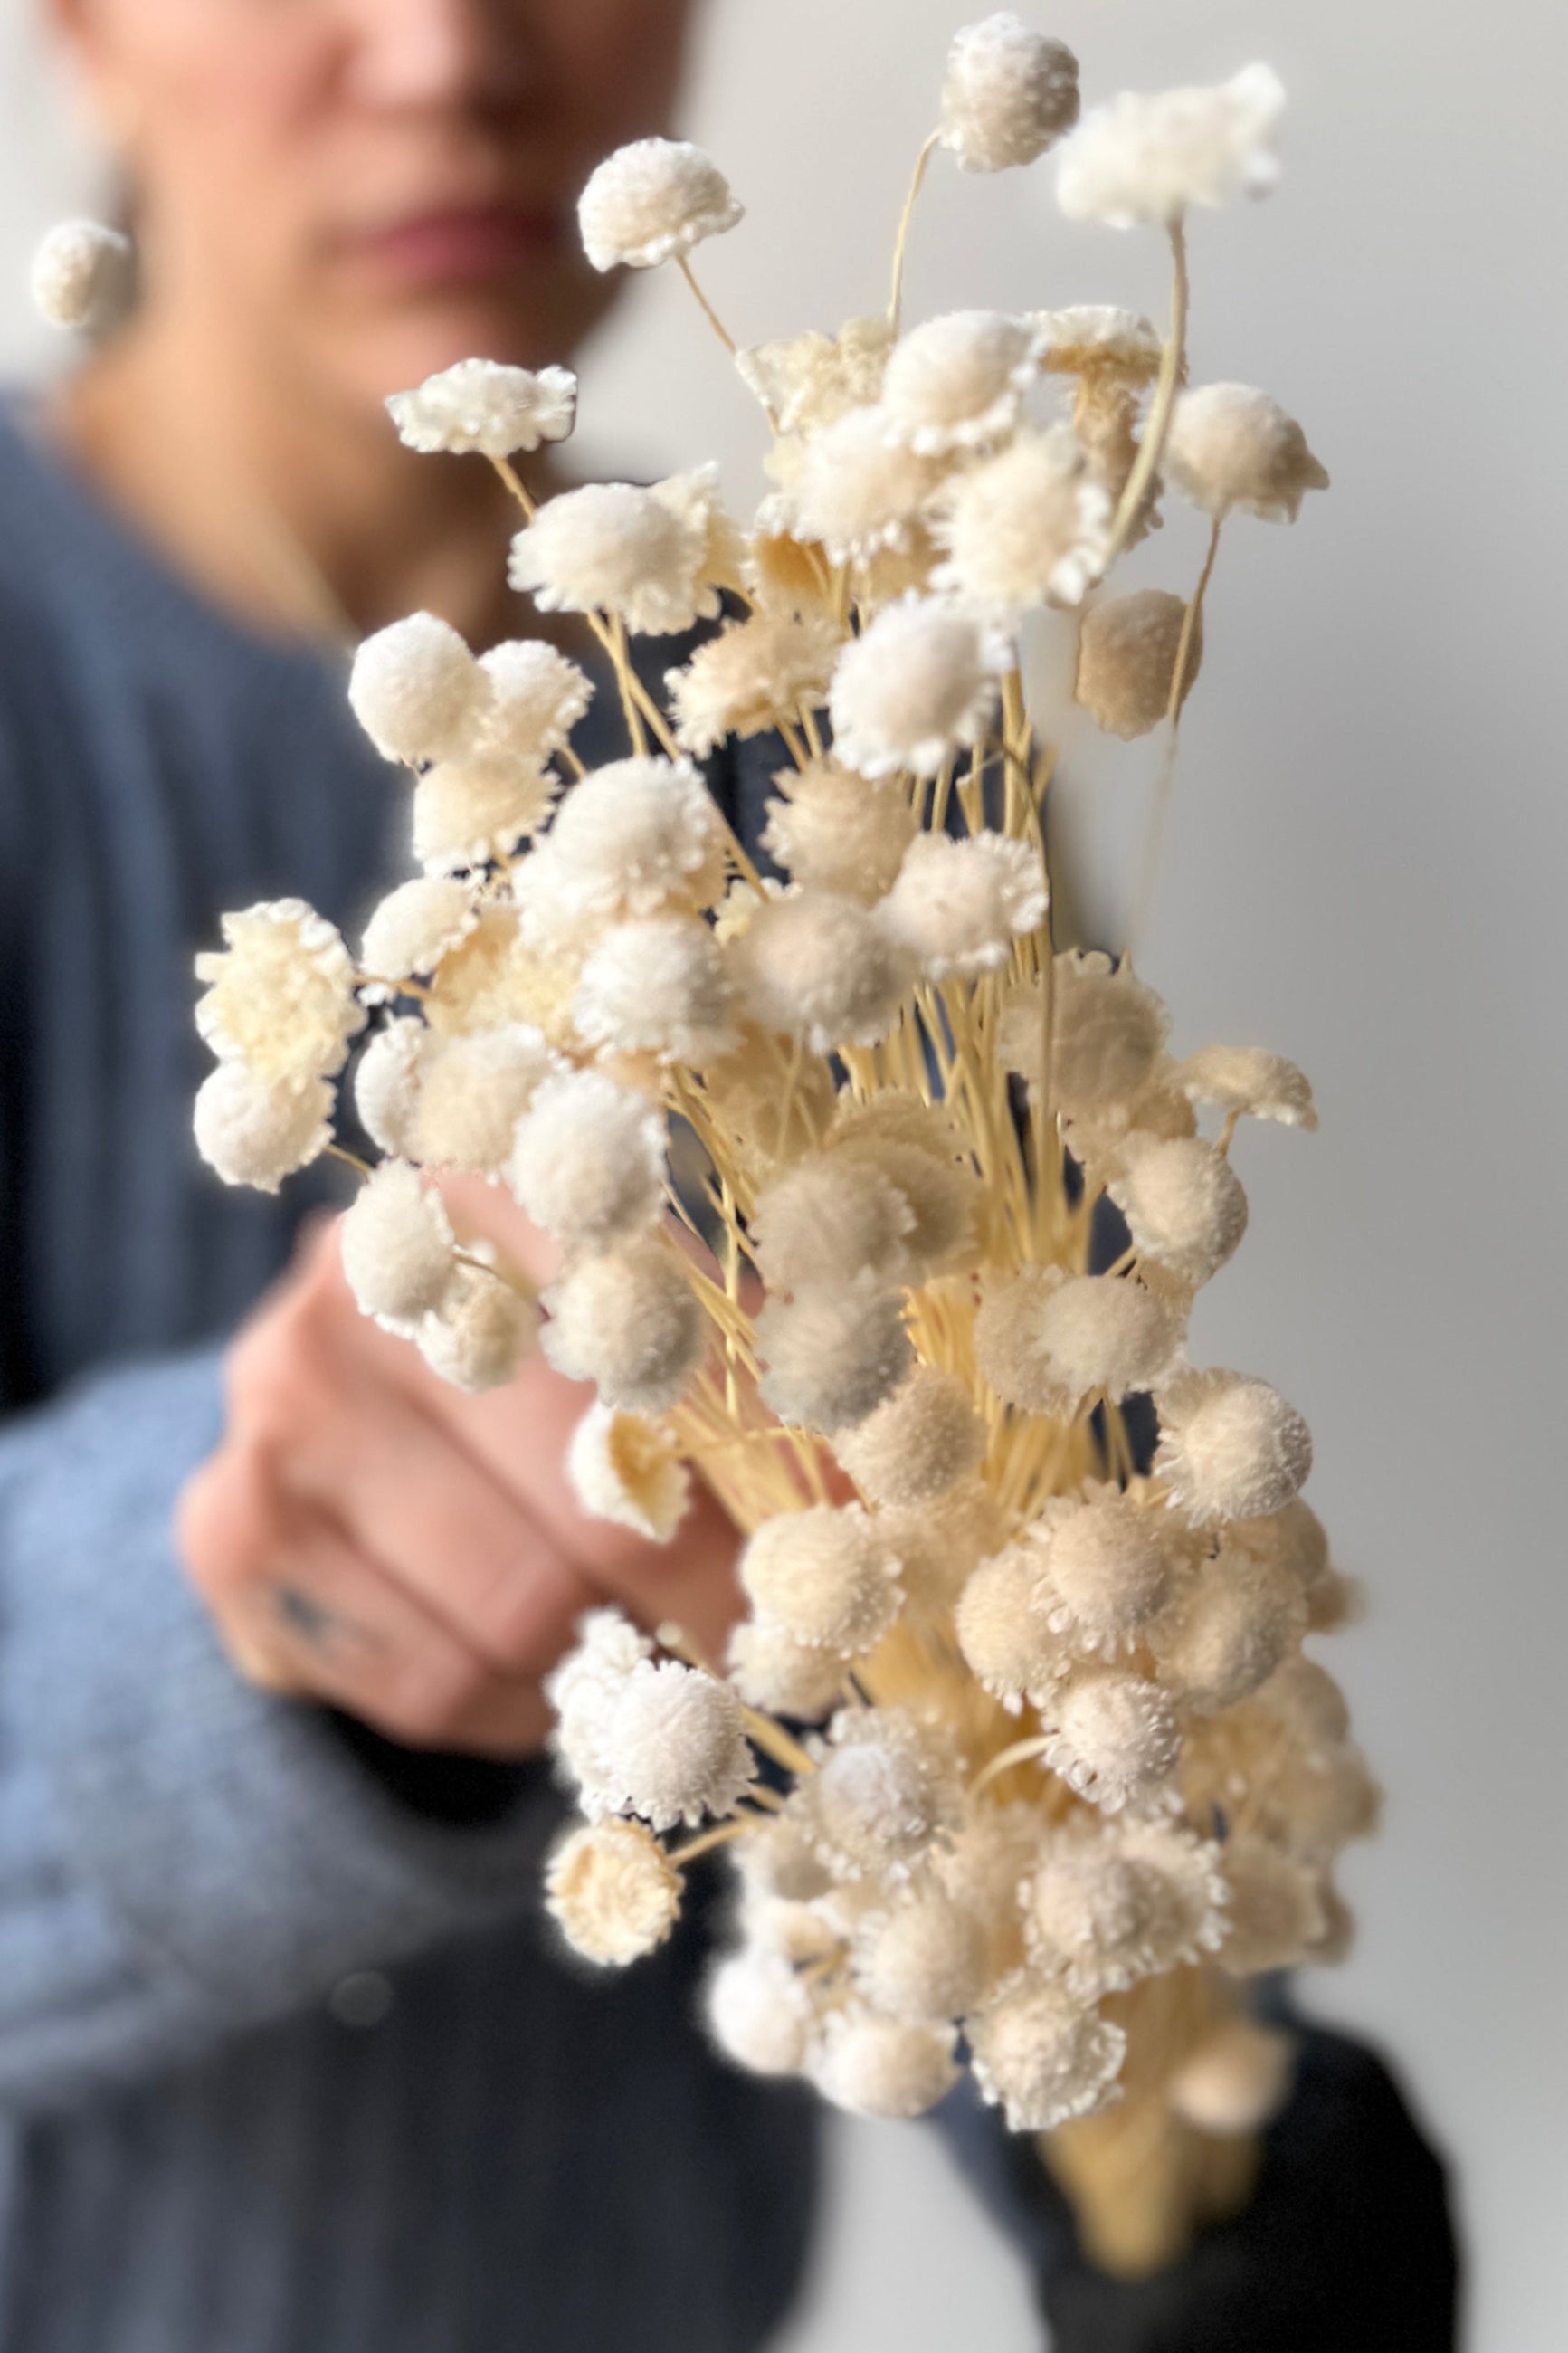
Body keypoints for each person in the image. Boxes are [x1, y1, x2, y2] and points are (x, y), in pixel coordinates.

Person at [0, 3, 1459, 2349]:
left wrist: (1169, 2163)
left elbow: (982, 1676)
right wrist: (261, 1603)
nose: (446, 55)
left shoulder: (844, 729)